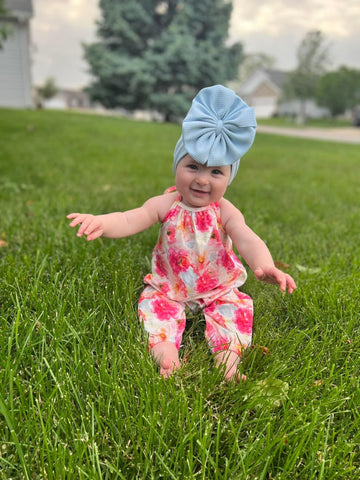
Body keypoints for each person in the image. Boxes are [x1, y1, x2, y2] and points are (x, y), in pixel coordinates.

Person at [67, 85, 296, 382]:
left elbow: (246, 237)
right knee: (155, 310)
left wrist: (264, 265)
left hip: (217, 288)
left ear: (229, 178)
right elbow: (129, 219)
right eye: (192, 166)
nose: (202, 179)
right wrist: (101, 222)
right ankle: (166, 357)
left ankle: (228, 362)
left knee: (233, 311)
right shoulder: (166, 203)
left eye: (216, 172)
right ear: (177, 165)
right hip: (171, 288)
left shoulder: (224, 211)